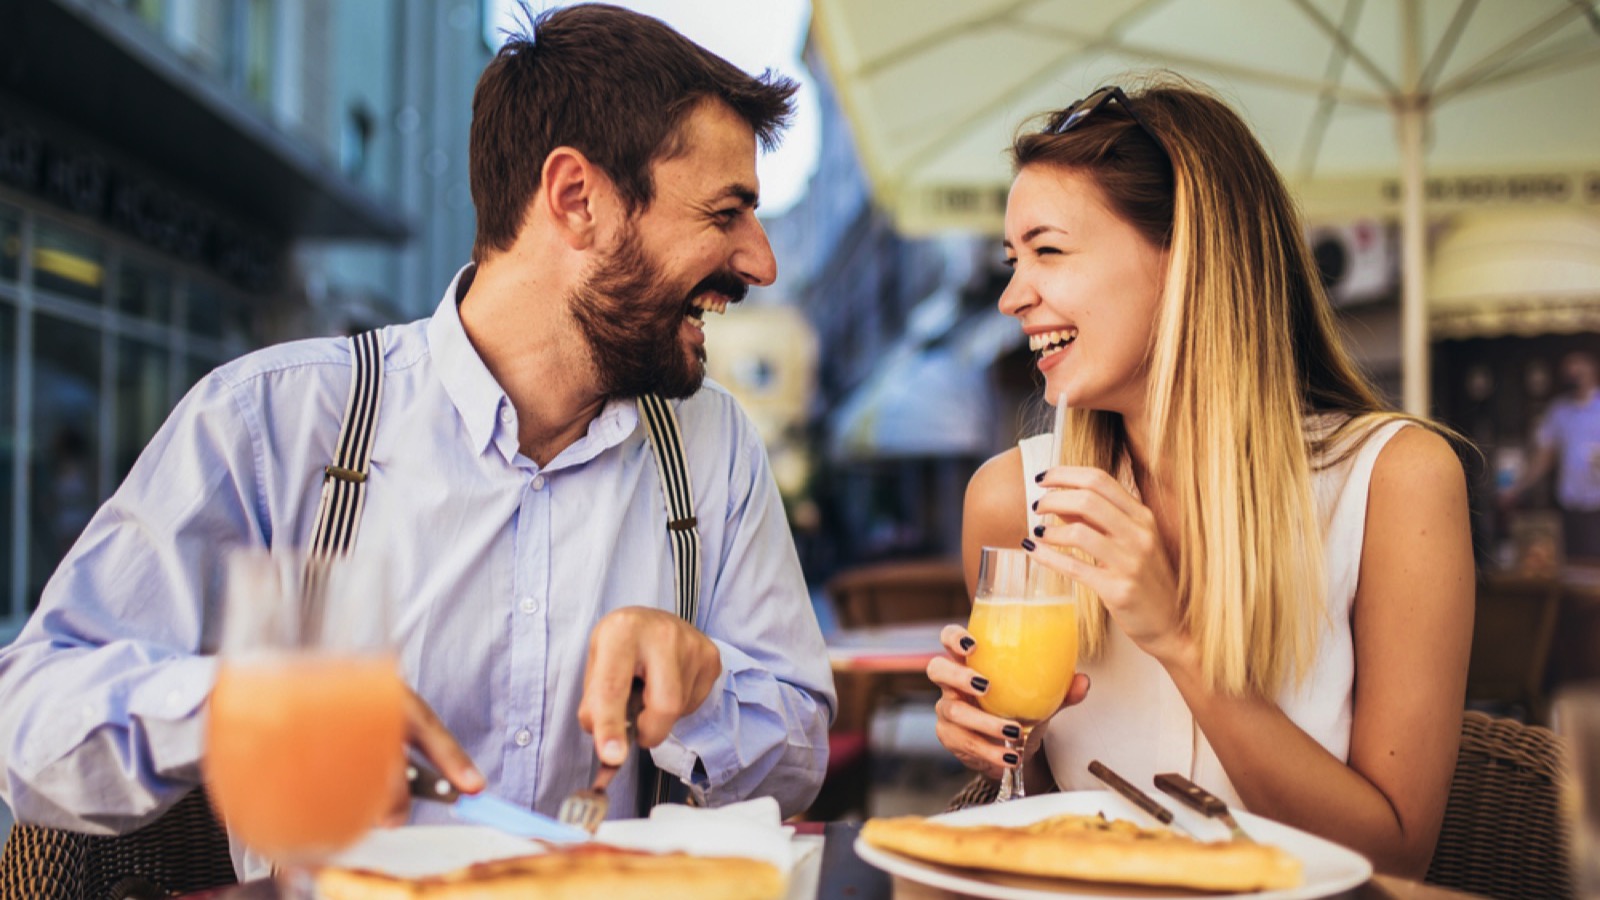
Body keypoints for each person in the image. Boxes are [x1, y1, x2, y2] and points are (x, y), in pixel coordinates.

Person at [0, 2, 833, 877]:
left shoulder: (713, 449)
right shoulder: (274, 425)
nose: (761, 262)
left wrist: (704, 690)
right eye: (727, 212)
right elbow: (29, 709)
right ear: (577, 198)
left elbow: (802, 758)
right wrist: (237, 704)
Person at [927, 79, 1473, 877]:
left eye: (1047, 250)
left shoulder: (1396, 483)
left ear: (1187, 258)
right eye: (1013, 261)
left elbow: (1393, 859)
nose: (1013, 296)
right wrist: (1012, 746)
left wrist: (1179, 638)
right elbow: (1040, 814)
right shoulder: (1013, 500)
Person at [1500, 349, 1600, 561]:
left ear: (1591, 368)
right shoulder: (1559, 410)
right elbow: (1544, 456)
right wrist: (1516, 488)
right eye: (1569, 368)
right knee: (1573, 568)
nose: (1573, 373)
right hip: (1570, 506)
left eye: (1578, 366)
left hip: (1597, 504)